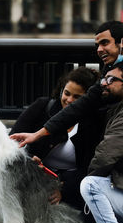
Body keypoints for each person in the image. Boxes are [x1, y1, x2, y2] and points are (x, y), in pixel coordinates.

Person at [10, 20, 123, 147]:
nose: (99, 50)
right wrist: (37, 134)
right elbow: (81, 105)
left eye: (105, 43)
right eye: (97, 45)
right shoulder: (108, 72)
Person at [10, 67, 101, 213]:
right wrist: (31, 164)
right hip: (34, 177)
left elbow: (90, 167)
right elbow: (13, 139)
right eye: (66, 93)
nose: (69, 100)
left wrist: (63, 189)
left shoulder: (92, 123)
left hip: (71, 185)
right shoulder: (42, 106)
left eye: (77, 97)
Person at [80, 62, 123, 223]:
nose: (105, 84)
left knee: (91, 184)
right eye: (104, 79)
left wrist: (90, 179)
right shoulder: (114, 110)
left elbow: (107, 154)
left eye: (112, 80)